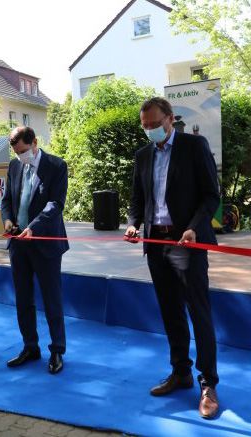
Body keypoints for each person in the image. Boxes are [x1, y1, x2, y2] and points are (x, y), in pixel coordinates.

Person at [125, 97, 220, 419]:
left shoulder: (194, 146)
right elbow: (137, 198)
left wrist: (194, 228)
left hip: (187, 242)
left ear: (170, 118)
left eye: (154, 124)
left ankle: (208, 383)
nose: (149, 130)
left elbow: (211, 195)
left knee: (198, 311)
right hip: (155, 242)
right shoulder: (142, 156)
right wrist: (133, 224)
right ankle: (180, 372)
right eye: (145, 126)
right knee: (170, 311)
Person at [1, 126, 68, 375]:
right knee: (23, 298)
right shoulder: (14, 166)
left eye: (24, 151)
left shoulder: (56, 166)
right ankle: (30, 347)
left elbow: (56, 204)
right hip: (18, 243)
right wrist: (7, 220)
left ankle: (57, 350)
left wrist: (33, 226)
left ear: (35, 142)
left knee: (52, 298)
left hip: (45, 242)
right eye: (17, 153)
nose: (21, 157)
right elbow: (7, 199)